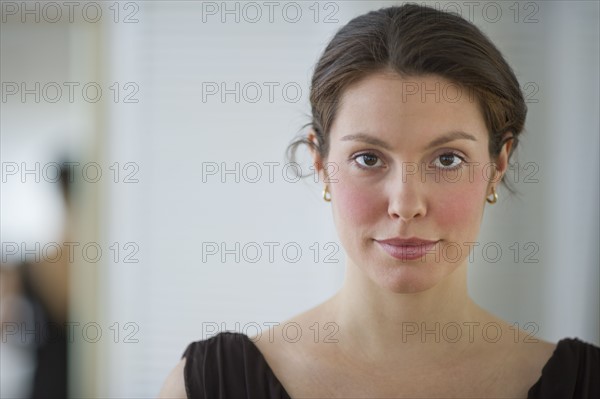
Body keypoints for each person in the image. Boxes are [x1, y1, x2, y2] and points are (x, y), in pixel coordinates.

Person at [159, 4, 599, 398]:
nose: (405, 204)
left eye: (447, 159)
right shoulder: (209, 387)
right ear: (320, 162)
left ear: (498, 165)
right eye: (368, 158)